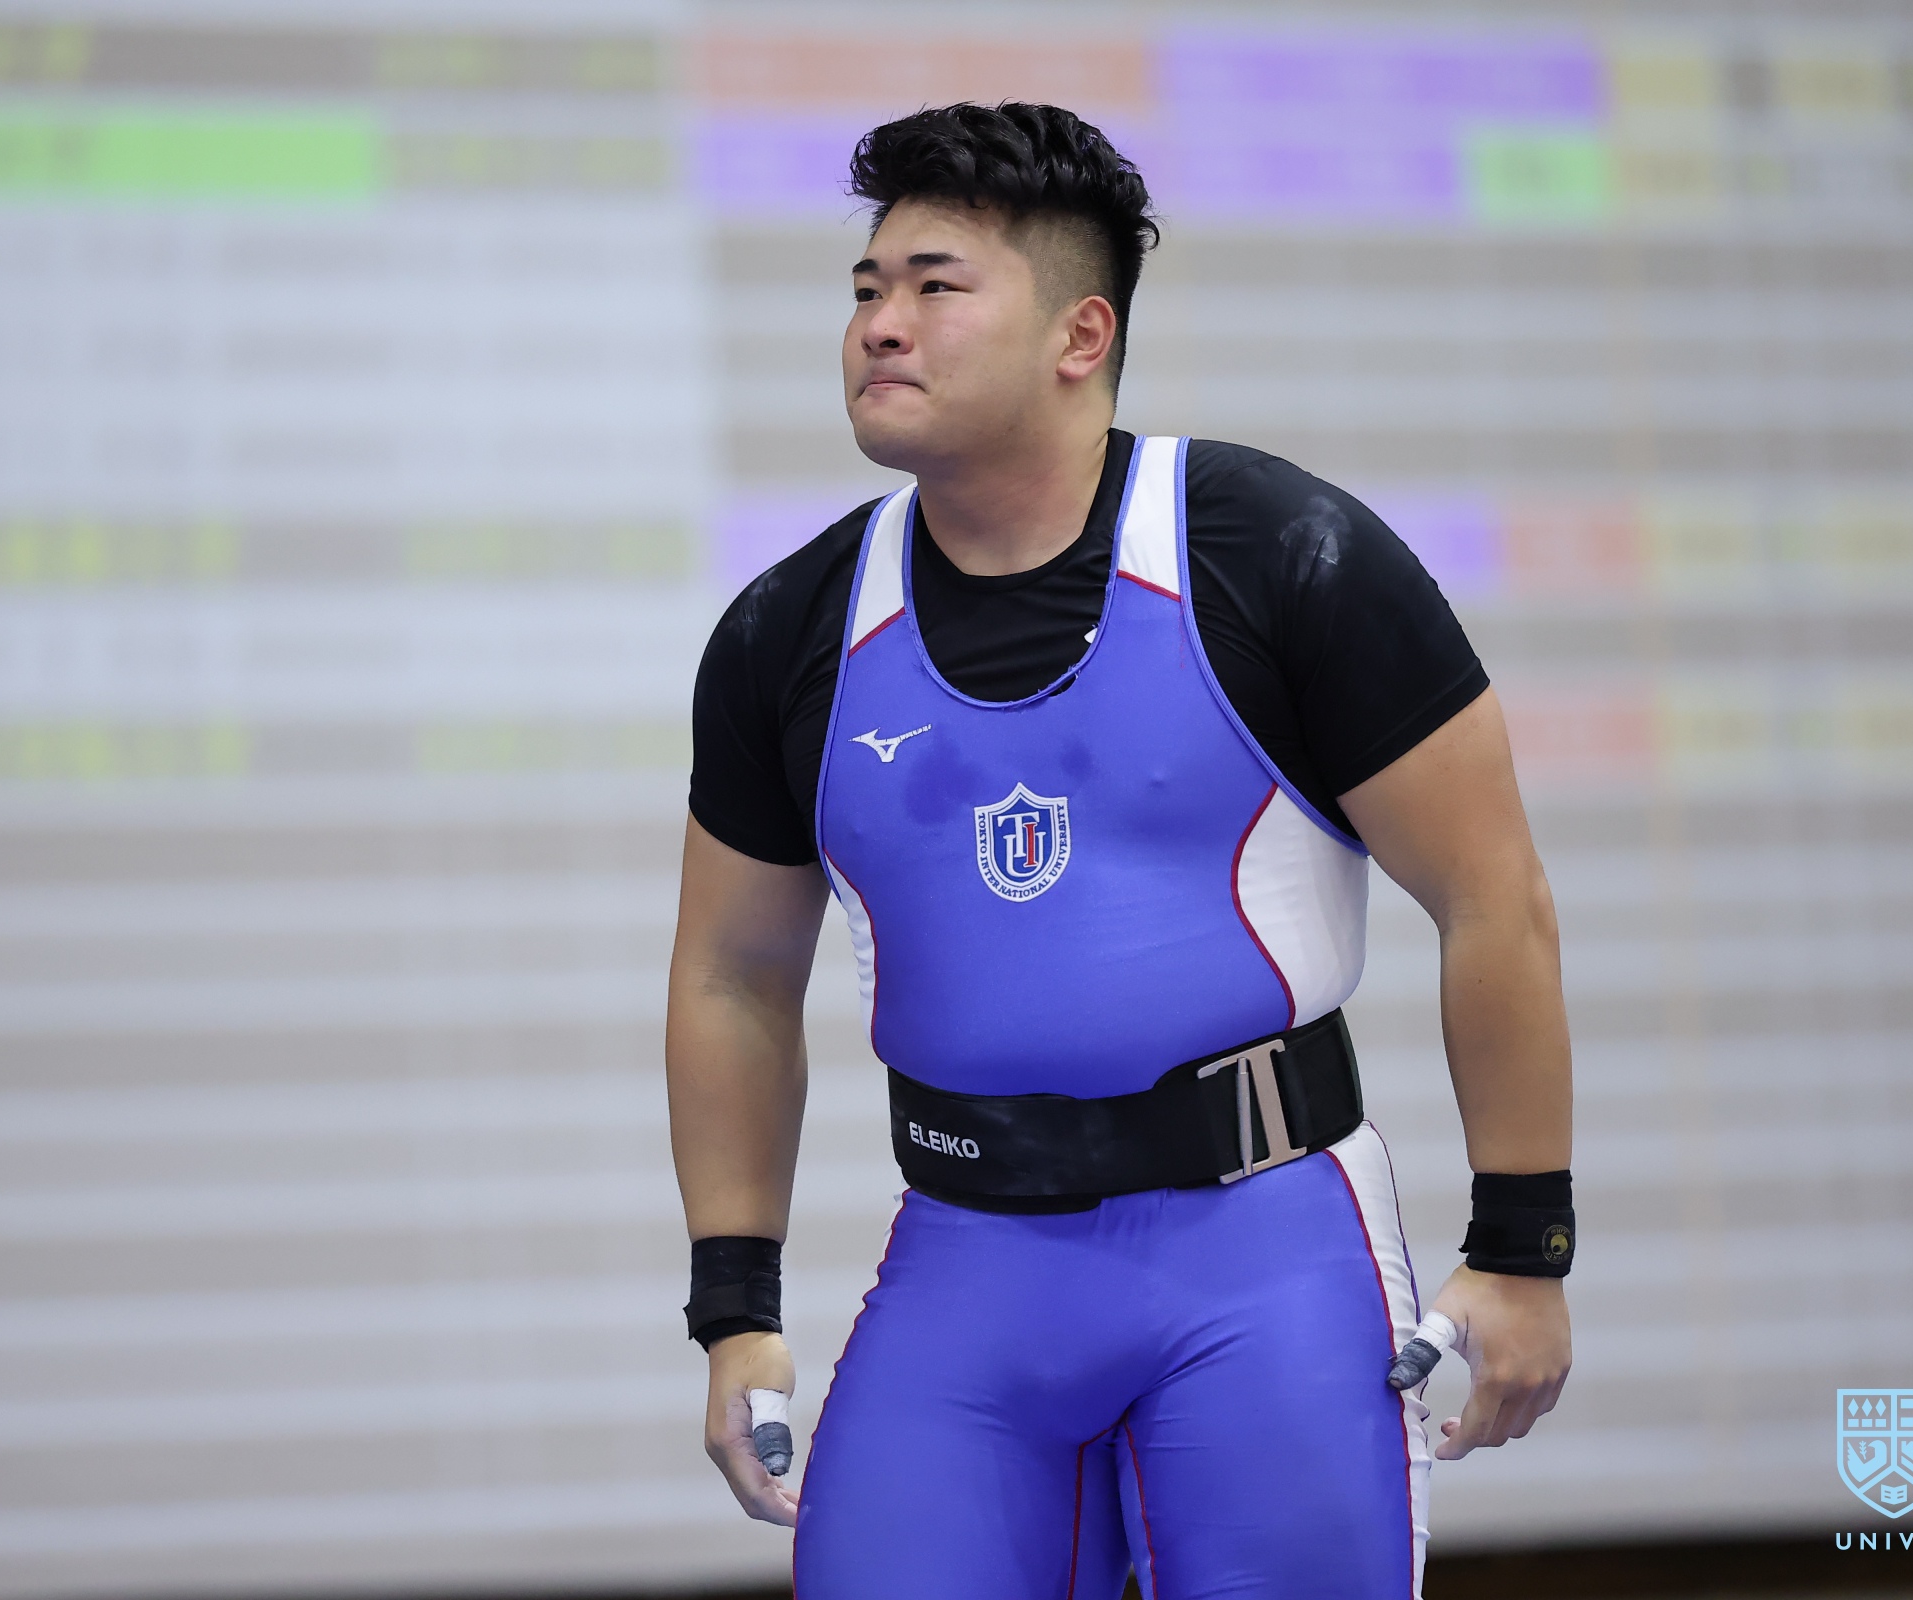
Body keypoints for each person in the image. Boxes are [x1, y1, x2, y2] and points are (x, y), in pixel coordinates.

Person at [665, 102, 1573, 1600]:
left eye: (936, 287)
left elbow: (1495, 899)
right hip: (966, 1267)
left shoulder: (1283, 557)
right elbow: (731, 973)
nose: (880, 323)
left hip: (1266, 1264)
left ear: (1081, 335)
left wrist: (1524, 1245)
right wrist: (736, 1310)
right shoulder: (787, 632)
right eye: (867, 288)